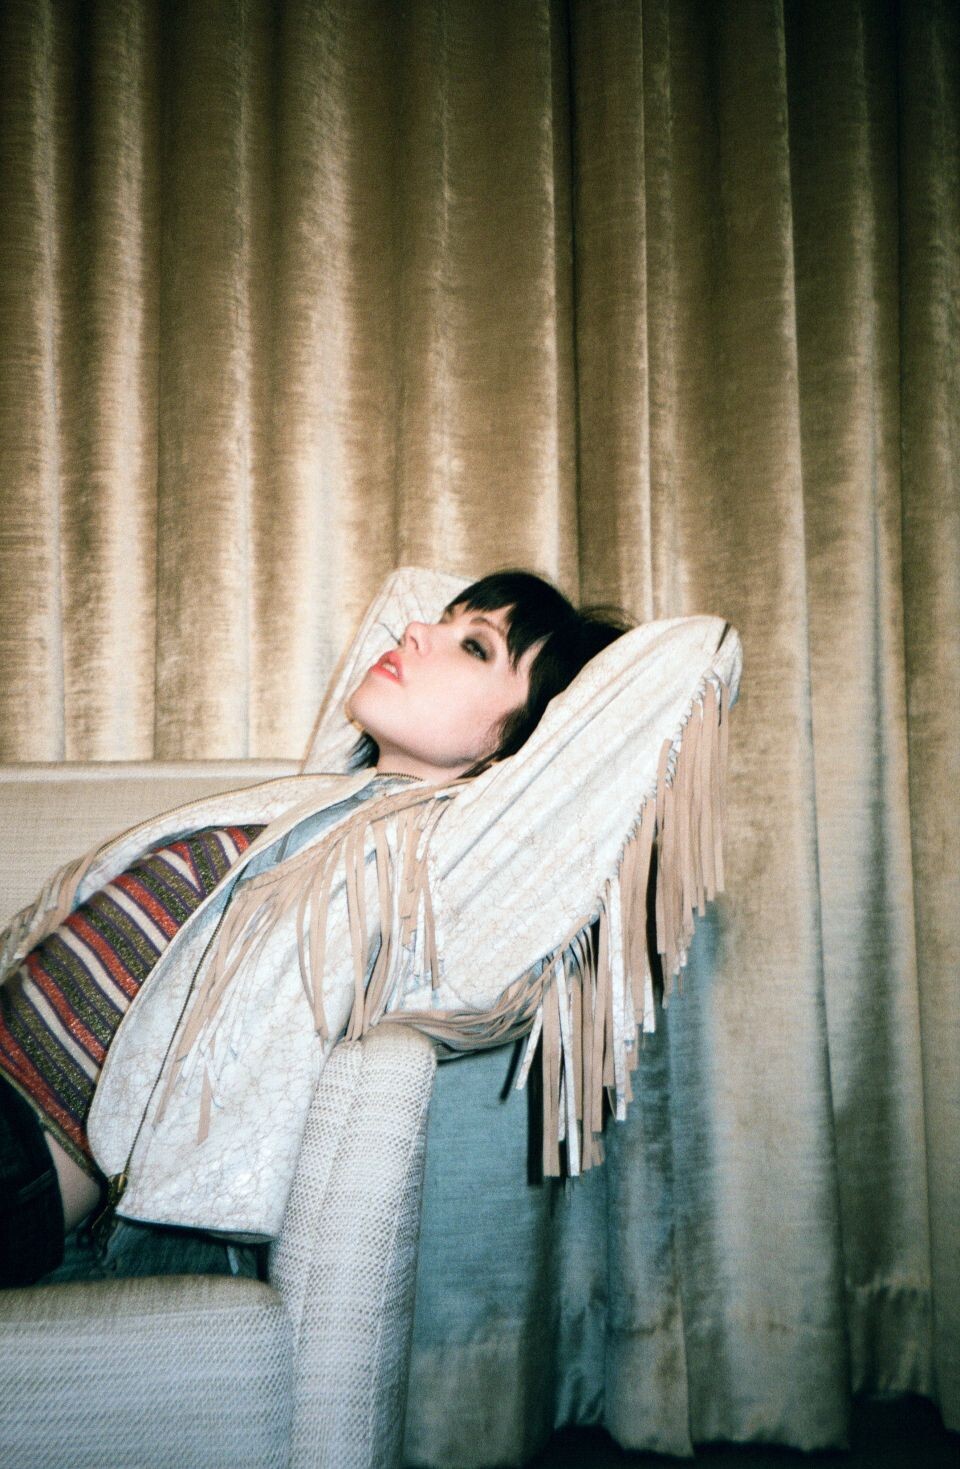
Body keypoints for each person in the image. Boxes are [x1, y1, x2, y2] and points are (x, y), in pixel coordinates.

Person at [1, 567, 741, 1289]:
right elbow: (408, 587)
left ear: (535, 744)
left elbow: (693, 653)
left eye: (475, 646)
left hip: (22, 1152)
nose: (413, 629)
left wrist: (556, 691)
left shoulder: (436, 868)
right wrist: (464, 635)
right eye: (442, 625)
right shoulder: (326, 807)